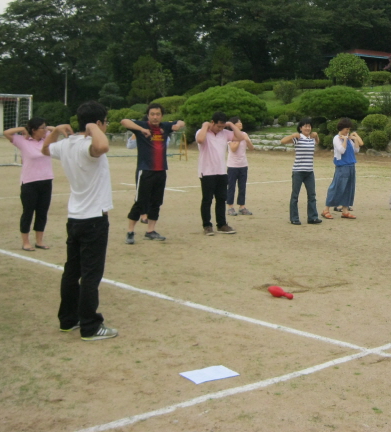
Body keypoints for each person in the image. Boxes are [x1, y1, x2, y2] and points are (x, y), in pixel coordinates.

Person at [42, 101, 117, 341]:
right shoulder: (87, 146)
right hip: (93, 219)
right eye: (105, 122)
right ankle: (90, 326)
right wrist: (92, 127)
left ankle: (68, 319)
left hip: (75, 218)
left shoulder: (67, 144)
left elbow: (46, 149)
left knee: (72, 272)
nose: (106, 126)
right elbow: (102, 146)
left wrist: (55, 131)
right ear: (98, 123)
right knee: (90, 275)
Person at [121, 103, 185, 244]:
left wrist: (178, 125)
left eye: (158, 114)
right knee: (140, 202)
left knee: (156, 202)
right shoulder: (141, 126)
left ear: (162, 116)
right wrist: (141, 129)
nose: (155, 117)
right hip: (145, 170)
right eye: (152, 114)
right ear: (148, 115)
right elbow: (124, 121)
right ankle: (130, 231)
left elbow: (181, 121)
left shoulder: (165, 127)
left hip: (161, 170)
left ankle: (150, 231)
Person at [3, 117, 58, 251]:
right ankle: (26, 242)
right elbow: (6, 133)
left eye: (45, 127)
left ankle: (39, 241)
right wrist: (23, 129)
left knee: (42, 212)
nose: (45, 130)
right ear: (33, 130)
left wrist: (46, 128)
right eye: (42, 128)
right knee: (28, 212)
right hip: (29, 182)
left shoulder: (47, 139)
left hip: (46, 180)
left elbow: (56, 130)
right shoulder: (23, 141)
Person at [196, 112, 244, 236]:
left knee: (221, 199)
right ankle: (207, 225)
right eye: (218, 126)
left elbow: (240, 138)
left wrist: (231, 125)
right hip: (207, 171)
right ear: (212, 122)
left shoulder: (225, 133)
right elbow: (200, 140)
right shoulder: (203, 132)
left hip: (221, 171)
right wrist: (205, 126)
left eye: (222, 126)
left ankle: (222, 224)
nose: (220, 129)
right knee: (207, 199)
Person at [281, 118, 322, 225]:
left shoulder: (311, 138)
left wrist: (316, 136)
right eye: (305, 126)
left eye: (309, 126)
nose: (307, 128)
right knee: (295, 195)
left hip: (309, 171)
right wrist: (293, 135)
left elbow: (318, 142)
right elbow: (283, 141)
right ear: (300, 128)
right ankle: (294, 218)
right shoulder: (298, 138)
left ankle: (312, 217)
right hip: (298, 171)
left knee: (312, 195)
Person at [321, 118, 364, 219]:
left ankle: (345, 210)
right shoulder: (336, 138)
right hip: (342, 166)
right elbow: (341, 150)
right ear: (341, 128)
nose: (347, 131)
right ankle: (326, 209)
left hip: (351, 165)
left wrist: (354, 139)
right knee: (337, 187)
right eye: (346, 129)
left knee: (349, 188)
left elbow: (356, 150)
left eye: (349, 129)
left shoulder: (348, 139)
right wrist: (344, 140)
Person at [226, 116, 256, 217]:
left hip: (243, 164)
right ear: (233, 125)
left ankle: (242, 207)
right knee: (231, 186)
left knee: (242, 187)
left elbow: (251, 148)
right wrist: (239, 139)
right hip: (232, 165)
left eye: (240, 122)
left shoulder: (244, 134)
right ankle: (230, 207)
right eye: (238, 122)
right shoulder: (230, 135)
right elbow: (233, 149)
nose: (240, 123)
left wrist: (247, 140)